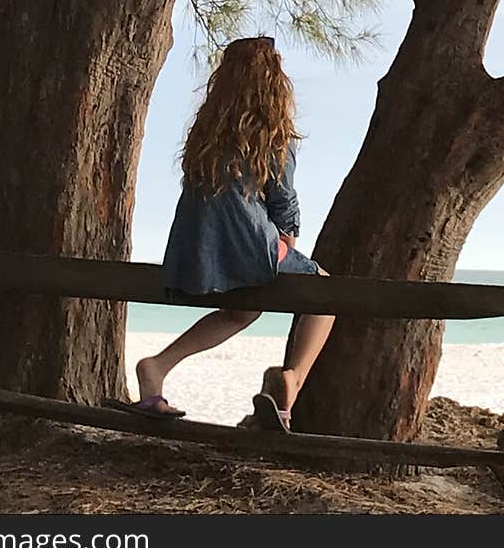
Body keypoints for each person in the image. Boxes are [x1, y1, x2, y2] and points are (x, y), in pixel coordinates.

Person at [106, 36, 334, 432]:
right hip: (246, 246)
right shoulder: (274, 135)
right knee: (326, 295)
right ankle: (293, 382)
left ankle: (157, 366)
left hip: (195, 251)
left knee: (241, 312)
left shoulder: (205, 137)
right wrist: (288, 244)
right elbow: (283, 201)